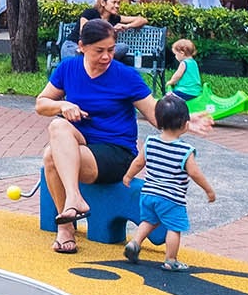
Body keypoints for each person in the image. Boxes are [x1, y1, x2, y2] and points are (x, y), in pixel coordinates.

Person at [35, 18, 160, 254]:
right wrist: (63, 106)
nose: (106, 57)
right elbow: (41, 104)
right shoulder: (68, 68)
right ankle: (72, 208)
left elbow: (156, 115)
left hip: (115, 152)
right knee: (57, 127)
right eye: (99, 51)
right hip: (81, 145)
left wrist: (186, 119)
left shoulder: (126, 76)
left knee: (51, 155)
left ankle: (66, 224)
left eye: (111, 50)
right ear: (81, 46)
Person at [122, 93, 216, 272]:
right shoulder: (185, 150)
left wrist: (128, 176)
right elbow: (195, 173)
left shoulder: (150, 142)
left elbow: (138, 162)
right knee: (174, 228)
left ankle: (135, 243)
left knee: (148, 221)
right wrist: (209, 190)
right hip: (171, 198)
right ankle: (170, 260)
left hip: (148, 194)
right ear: (185, 124)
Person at [166, 38, 201, 102]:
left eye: (176, 54)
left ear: (182, 53)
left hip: (185, 91)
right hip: (196, 92)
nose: (175, 56)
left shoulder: (184, 63)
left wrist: (171, 81)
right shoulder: (193, 62)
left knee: (167, 98)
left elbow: (178, 75)